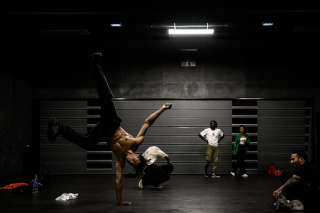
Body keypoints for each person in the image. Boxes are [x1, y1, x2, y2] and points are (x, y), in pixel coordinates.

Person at [47, 52, 173, 206]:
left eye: (131, 164)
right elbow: (147, 123)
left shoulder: (120, 160)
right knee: (106, 99)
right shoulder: (135, 143)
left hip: (102, 133)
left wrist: (120, 202)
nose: (131, 162)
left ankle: (60, 128)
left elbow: (118, 179)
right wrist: (162, 108)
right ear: (137, 156)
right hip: (112, 124)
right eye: (134, 161)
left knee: (88, 145)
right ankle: (97, 66)